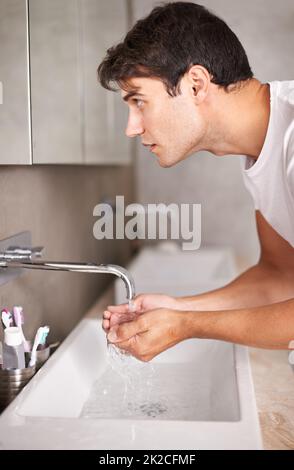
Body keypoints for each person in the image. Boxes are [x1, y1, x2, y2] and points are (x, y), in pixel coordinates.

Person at [97, 2, 294, 361]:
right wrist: (178, 308)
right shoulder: (262, 150)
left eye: (139, 101)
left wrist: (187, 325)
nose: (131, 127)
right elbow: (279, 278)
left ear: (196, 84)